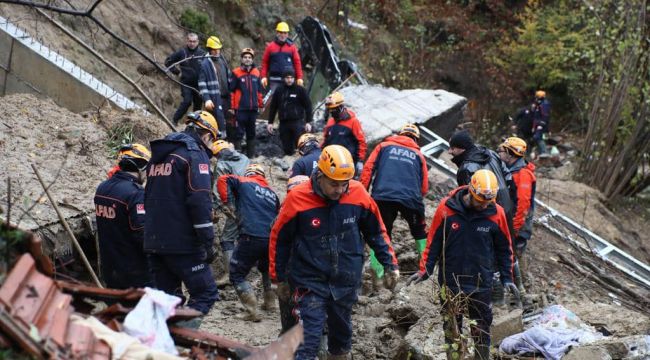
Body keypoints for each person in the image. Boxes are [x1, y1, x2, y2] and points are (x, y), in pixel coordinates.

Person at [270, 145, 400, 359]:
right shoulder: (298, 199)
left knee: (341, 335)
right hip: (309, 279)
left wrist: (390, 264)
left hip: (346, 278)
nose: (339, 190)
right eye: (333, 184)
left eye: (344, 184)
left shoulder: (358, 194)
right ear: (320, 174)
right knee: (308, 339)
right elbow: (279, 239)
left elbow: (377, 232)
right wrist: (278, 279)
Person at [407, 169, 518, 360]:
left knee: (481, 326)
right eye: (480, 201)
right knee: (451, 327)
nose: (484, 206)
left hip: (480, 281)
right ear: (471, 192)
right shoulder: (447, 208)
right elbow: (433, 241)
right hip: (451, 280)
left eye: (488, 202)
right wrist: (425, 269)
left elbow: (504, 248)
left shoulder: (496, 213)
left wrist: (508, 278)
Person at [144, 110, 220, 315]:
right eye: (212, 140)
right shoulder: (195, 155)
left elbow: (147, 197)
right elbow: (199, 200)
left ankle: (169, 342)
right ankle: (186, 333)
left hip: (154, 242)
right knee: (206, 294)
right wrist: (208, 242)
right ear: (206, 135)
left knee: (168, 301)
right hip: (183, 244)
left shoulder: (158, 157)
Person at [360, 124, 429, 282]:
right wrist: (417, 201)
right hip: (411, 200)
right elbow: (424, 185)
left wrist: (363, 192)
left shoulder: (383, 146)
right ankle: (426, 270)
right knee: (419, 232)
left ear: (400, 134)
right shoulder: (419, 155)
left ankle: (378, 274)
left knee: (380, 233)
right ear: (416, 139)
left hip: (383, 196)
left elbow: (368, 169)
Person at [217, 164, 280, 321]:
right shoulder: (273, 194)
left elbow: (223, 179)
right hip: (270, 239)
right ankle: (270, 303)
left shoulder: (244, 181)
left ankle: (252, 311)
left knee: (236, 273)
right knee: (265, 269)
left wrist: (227, 203)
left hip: (251, 235)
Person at [94, 144, 152, 289]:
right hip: (134, 272)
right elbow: (143, 234)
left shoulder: (102, 188)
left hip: (110, 268)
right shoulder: (135, 193)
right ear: (141, 168)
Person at [497, 137, 536, 293]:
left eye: (502, 151)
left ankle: (521, 292)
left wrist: (514, 228)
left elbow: (523, 205)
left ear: (511, 153)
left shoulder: (523, 174)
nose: (499, 153)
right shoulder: (511, 170)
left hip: (518, 226)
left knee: (513, 258)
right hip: (511, 223)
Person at [211, 140, 250, 287]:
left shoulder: (221, 165)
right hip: (254, 201)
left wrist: (216, 208)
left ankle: (230, 275)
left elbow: (217, 191)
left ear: (218, 154)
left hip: (237, 205)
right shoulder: (245, 159)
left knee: (227, 238)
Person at [267, 69, 313, 155]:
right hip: (283, 123)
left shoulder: (300, 90)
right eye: (287, 78)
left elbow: (308, 106)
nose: (289, 80)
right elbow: (273, 107)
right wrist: (270, 122)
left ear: (294, 78)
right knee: (286, 148)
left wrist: (308, 122)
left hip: (297, 122)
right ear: (284, 78)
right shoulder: (279, 90)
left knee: (300, 145)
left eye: (291, 77)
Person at [321, 92, 367, 177]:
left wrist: (360, 160)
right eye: (330, 110)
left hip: (348, 161)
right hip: (332, 160)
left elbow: (361, 141)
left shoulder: (353, 122)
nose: (332, 112)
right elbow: (325, 141)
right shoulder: (330, 122)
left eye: (334, 109)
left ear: (341, 107)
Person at [229, 48, 263, 158]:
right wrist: (232, 107)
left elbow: (259, 91)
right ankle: (237, 155)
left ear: (252, 59)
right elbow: (232, 92)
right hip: (241, 109)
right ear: (242, 59)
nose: (247, 59)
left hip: (253, 109)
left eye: (249, 57)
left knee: (251, 132)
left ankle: (250, 156)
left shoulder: (256, 73)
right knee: (238, 132)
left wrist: (260, 104)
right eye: (245, 57)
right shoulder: (236, 72)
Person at [165, 33, 206, 124]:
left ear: (198, 42)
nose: (192, 43)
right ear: (187, 41)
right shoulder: (182, 52)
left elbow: (208, 69)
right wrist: (177, 72)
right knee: (187, 101)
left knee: (198, 106)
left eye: (194, 41)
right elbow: (168, 61)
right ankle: (174, 120)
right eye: (190, 41)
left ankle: (195, 124)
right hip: (185, 83)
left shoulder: (202, 54)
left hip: (199, 85)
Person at [261, 21, 304, 93]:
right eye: (281, 32)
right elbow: (265, 62)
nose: (283, 35)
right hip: (274, 80)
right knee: (274, 100)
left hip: (289, 81)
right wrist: (263, 77)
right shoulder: (270, 47)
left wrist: (299, 77)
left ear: (287, 34)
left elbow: (297, 63)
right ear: (277, 33)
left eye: (285, 33)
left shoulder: (292, 48)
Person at [198, 36, 227, 132]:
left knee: (227, 120)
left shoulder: (222, 60)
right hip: (214, 98)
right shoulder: (205, 63)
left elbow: (228, 76)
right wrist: (207, 99)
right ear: (209, 49)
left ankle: (226, 141)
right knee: (218, 121)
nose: (217, 51)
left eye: (218, 49)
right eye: (214, 50)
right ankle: (220, 142)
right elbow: (202, 83)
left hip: (225, 97)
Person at [532, 90, 551, 155]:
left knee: (538, 137)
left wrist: (542, 124)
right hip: (537, 124)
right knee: (538, 137)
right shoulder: (538, 104)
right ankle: (541, 153)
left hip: (541, 124)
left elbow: (545, 115)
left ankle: (544, 152)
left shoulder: (544, 104)